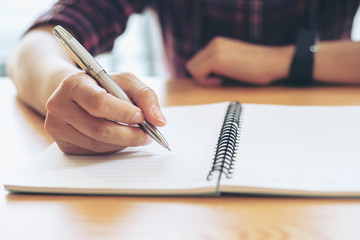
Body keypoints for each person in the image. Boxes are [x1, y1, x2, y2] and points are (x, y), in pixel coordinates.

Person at [7, 0, 360, 155]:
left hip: (325, 133)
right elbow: (33, 48)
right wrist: (67, 89)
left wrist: (288, 59)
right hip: (195, 132)